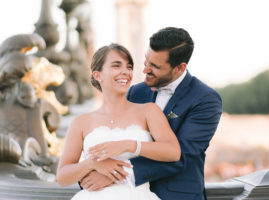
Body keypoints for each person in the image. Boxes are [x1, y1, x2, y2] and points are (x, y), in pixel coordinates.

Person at [80, 27, 223, 200]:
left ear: (179, 68)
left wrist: (115, 175)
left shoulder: (205, 99)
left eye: (154, 66)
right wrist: (92, 170)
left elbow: (183, 155)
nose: (145, 70)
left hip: (176, 195)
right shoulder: (135, 92)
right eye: (146, 61)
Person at [56, 43, 181, 200]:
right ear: (97, 75)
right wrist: (92, 164)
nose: (125, 72)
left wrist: (128, 144)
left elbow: (173, 152)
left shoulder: (148, 111)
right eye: (116, 66)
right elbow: (62, 177)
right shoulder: (81, 121)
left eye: (129, 67)